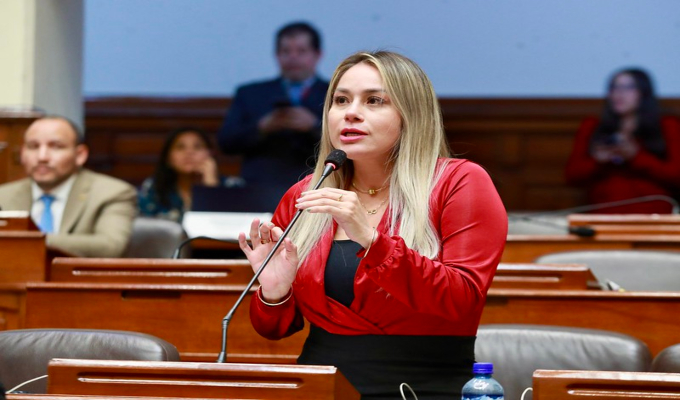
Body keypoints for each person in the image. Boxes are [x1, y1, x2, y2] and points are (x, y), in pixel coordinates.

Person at [238, 51, 507, 399]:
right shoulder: (307, 194)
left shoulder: (459, 182)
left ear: (411, 115)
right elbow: (273, 329)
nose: (350, 112)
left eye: (374, 100)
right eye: (341, 100)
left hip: (427, 387)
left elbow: (462, 299)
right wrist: (275, 292)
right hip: (321, 387)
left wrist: (369, 238)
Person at [218, 22, 329, 209]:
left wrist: (313, 126)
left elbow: (345, 146)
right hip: (259, 190)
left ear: (317, 54)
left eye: (301, 51)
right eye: (286, 51)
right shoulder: (251, 93)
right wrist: (262, 127)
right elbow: (226, 143)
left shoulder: (334, 93)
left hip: (317, 188)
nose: (293, 57)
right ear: (277, 55)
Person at [0, 116, 137, 257]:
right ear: (22, 153)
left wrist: (26, 240)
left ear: (80, 155)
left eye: (56, 146)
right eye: (33, 146)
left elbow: (110, 246)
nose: (42, 157)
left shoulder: (112, 193)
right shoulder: (3, 196)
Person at [565, 68, 680, 213]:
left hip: (653, 214)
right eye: (614, 87)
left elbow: (676, 176)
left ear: (644, 92)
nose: (619, 93)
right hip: (604, 213)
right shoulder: (593, 127)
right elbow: (572, 177)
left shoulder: (667, 126)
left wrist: (636, 156)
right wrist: (597, 161)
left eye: (628, 87)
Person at [139, 127, 244, 222]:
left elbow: (229, 225)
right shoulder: (153, 188)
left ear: (210, 154)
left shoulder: (233, 186)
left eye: (197, 147)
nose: (189, 152)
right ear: (168, 158)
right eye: (180, 147)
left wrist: (211, 187)